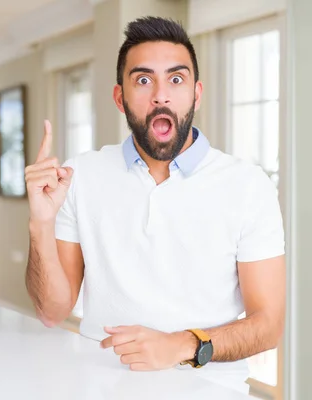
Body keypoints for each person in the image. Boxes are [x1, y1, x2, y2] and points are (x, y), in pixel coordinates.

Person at [24, 16, 286, 392]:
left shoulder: (248, 186)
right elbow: (51, 312)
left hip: (209, 389)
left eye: (175, 79)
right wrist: (40, 224)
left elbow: (268, 325)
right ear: (120, 98)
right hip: (99, 387)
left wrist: (180, 346)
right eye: (143, 80)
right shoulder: (80, 176)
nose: (161, 95)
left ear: (196, 94)